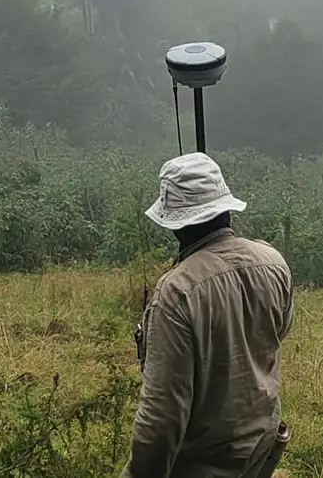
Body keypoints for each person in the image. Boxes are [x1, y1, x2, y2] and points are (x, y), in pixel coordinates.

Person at [121, 152, 294, 478]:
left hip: (204, 465)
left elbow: (162, 418)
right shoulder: (274, 262)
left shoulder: (176, 292)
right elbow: (278, 334)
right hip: (260, 450)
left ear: (177, 224)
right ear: (226, 208)